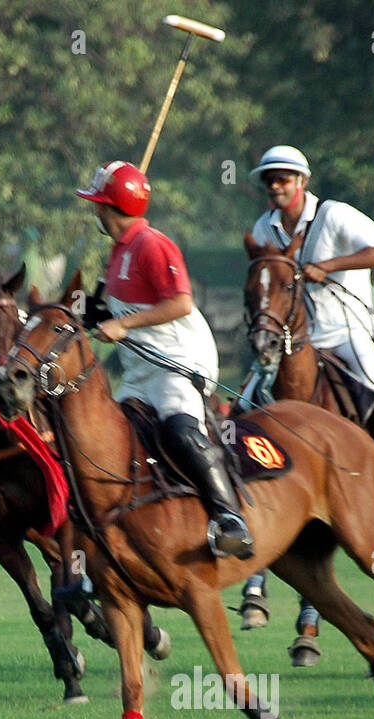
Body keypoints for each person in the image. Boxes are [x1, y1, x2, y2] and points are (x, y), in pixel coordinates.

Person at [78, 160, 254, 560]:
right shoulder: (119, 250)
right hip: (140, 370)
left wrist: (124, 326)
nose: (94, 211)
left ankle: (231, 520)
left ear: (109, 207)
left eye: (97, 204)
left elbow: (180, 302)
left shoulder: (151, 244)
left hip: (178, 361)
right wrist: (94, 314)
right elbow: (110, 309)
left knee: (179, 430)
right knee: (105, 439)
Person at [249, 144, 374, 516]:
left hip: (347, 330)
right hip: (295, 337)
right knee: (248, 398)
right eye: (269, 181)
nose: (275, 187)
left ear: (301, 181)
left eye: (282, 179)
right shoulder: (265, 226)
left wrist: (329, 265)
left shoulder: (333, 215)